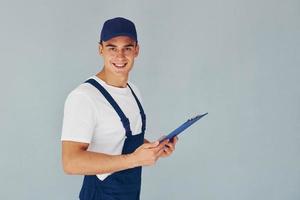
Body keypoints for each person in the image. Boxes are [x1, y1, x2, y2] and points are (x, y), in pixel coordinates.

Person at [61, 17, 178, 200]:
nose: (120, 56)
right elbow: (70, 162)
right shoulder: (84, 97)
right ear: (100, 49)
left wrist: (155, 148)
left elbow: (117, 139)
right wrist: (135, 160)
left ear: (137, 50)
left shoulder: (133, 91)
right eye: (112, 48)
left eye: (127, 48)